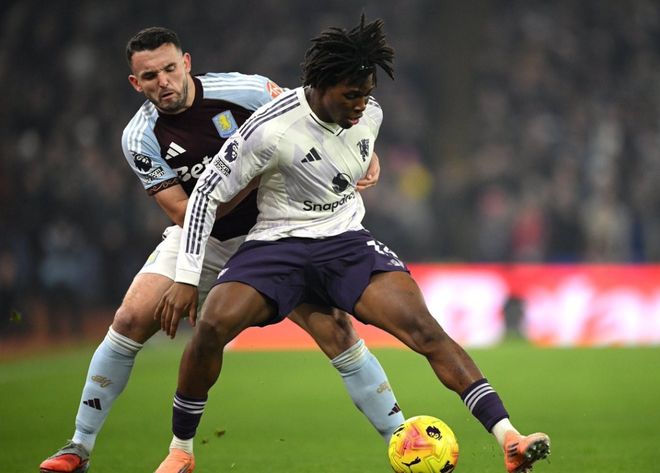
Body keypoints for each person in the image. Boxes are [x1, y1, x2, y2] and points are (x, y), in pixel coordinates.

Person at [154, 15, 551, 473]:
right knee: (211, 326)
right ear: (320, 86)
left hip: (344, 242)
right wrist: (186, 278)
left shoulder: (370, 116)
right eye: (351, 95)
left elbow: (344, 154)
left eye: (367, 93)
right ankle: (181, 451)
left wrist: (369, 160)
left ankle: (509, 439)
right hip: (277, 244)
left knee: (425, 331)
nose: (362, 104)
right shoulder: (270, 127)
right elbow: (206, 193)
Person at [39, 26, 405, 473]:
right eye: (150, 76)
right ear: (136, 83)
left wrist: (365, 153)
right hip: (203, 237)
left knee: (337, 331)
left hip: (279, 231)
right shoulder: (140, 136)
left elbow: (320, 118)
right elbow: (184, 211)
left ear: (186, 63)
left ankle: (403, 440)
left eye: (170, 69)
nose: (164, 82)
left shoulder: (247, 91)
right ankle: (79, 446)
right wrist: (240, 174)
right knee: (130, 318)